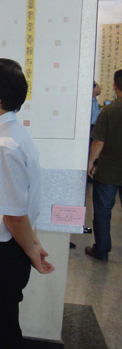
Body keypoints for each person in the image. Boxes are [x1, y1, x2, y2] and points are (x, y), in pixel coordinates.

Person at [0, 58, 54, 349]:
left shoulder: (3, 144)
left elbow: (14, 215)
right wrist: (32, 243)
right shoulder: (12, 134)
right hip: (3, 252)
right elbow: (22, 203)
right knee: (0, 327)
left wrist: (32, 250)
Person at [86, 69, 122, 261]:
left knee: (102, 211)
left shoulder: (109, 111)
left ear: (115, 86)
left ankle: (101, 250)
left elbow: (98, 142)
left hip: (108, 172)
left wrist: (90, 162)